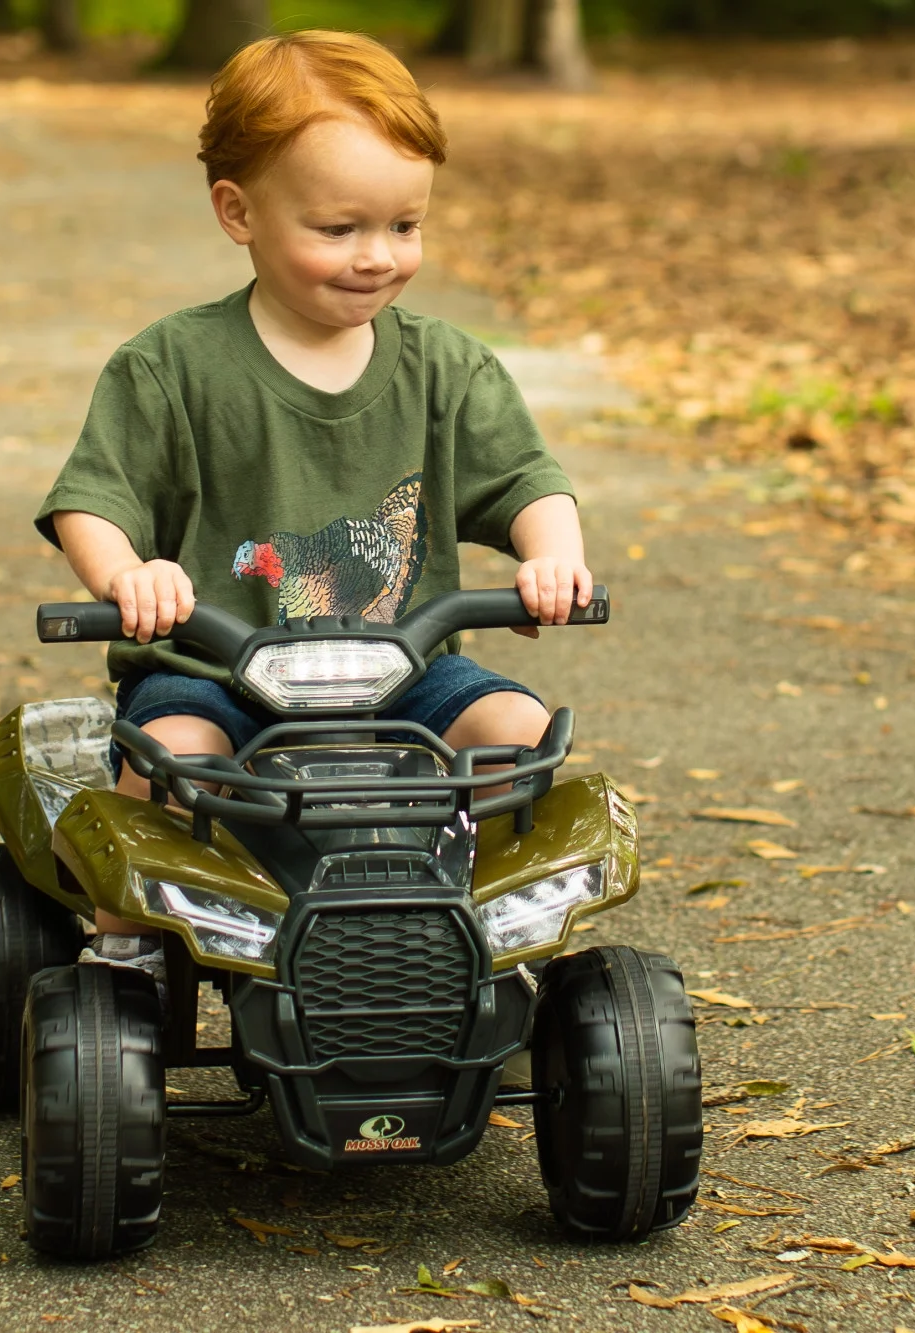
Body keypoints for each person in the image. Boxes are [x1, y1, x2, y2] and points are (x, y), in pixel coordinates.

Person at [35, 29, 593, 989]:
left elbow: (527, 481)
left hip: (405, 676)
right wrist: (128, 574)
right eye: (339, 229)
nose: (378, 257)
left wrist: (553, 555)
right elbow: (95, 499)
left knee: (514, 730)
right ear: (238, 211)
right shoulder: (171, 368)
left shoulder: (448, 369)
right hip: (213, 673)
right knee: (171, 756)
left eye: (405, 226)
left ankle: (491, 936)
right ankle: (127, 952)